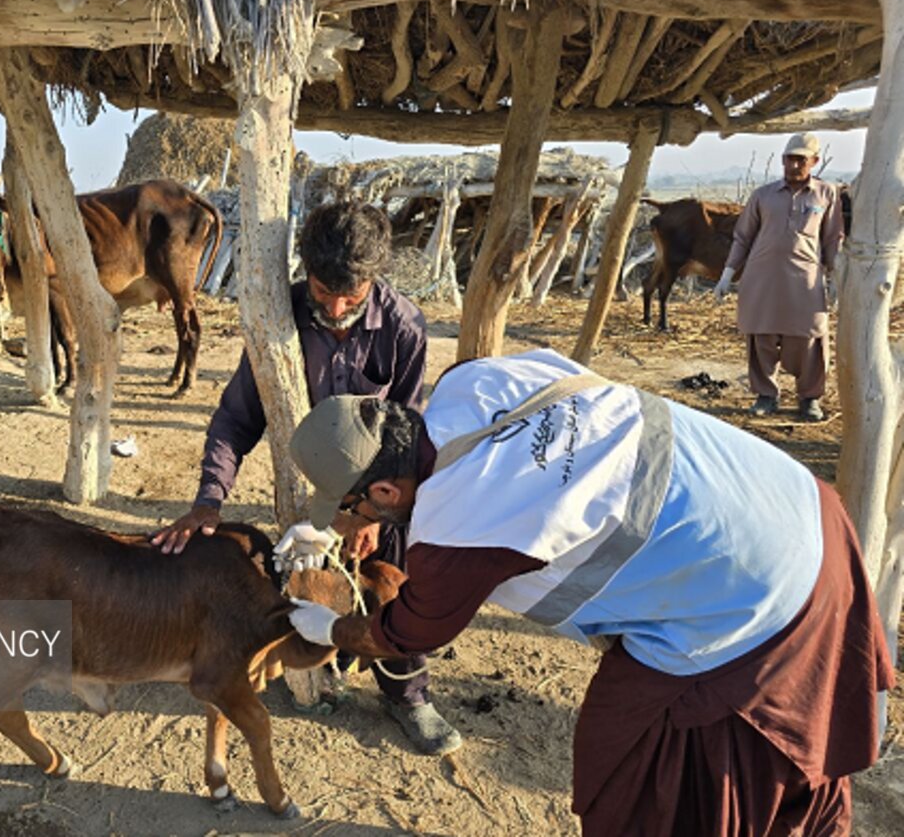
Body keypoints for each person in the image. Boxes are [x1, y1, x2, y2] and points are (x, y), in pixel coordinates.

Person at [285, 348, 894, 834]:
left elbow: (405, 633)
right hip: (798, 506)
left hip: (752, 602)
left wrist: (327, 628)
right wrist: (356, 519)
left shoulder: (455, 527)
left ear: (386, 493)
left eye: (351, 504)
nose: (348, 518)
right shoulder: (475, 383)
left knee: (646, 773)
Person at [151, 199, 461, 756]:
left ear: (374, 280)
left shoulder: (405, 327)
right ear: (305, 273)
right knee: (305, 581)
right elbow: (235, 417)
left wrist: (371, 515)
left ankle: (407, 692)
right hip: (309, 489)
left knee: (393, 583)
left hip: (378, 487)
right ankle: (324, 666)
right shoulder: (279, 318)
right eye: (323, 291)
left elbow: (407, 427)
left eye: (353, 296)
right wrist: (208, 499)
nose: (337, 307)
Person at [714, 132, 844, 422]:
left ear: (814, 161)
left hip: (806, 278)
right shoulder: (763, 195)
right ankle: (766, 395)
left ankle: (809, 397)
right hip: (762, 277)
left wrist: (837, 278)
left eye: (800, 159)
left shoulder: (826, 194)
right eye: (789, 158)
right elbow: (743, 236)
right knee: (761, 334)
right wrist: (727, 274)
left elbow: (833, 238)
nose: (793, 164)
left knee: (809, 337)